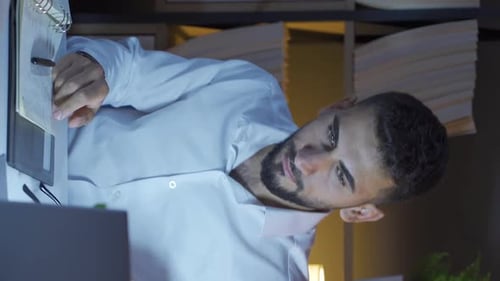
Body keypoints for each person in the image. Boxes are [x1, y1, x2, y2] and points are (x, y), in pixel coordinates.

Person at [53, 36, 449, 281]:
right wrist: (97, 66)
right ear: (335, 107)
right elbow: (131, 69)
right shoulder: (250, 88)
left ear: (360, 212)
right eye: (332, 135)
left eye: (341, 175)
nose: (309, 159)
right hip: (32, 129)